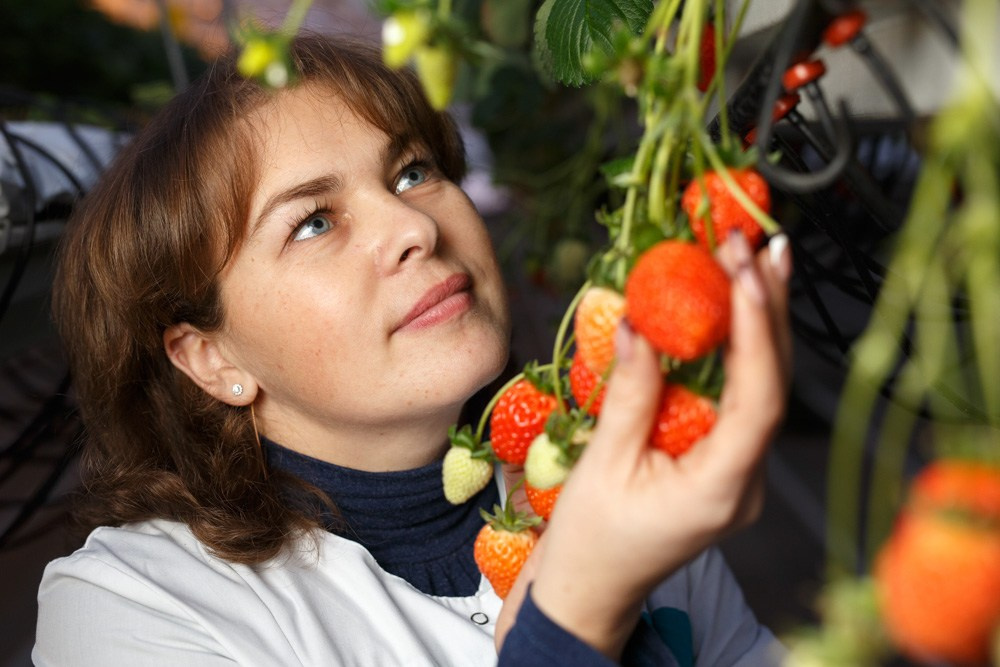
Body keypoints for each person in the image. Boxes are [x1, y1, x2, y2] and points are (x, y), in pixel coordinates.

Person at [34, 34, 793, 666]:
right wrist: (580, 615)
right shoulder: (132, 608)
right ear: (211, 358)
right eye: (313, 222)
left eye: (412, 172)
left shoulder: (602, 463)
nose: (416, 228)